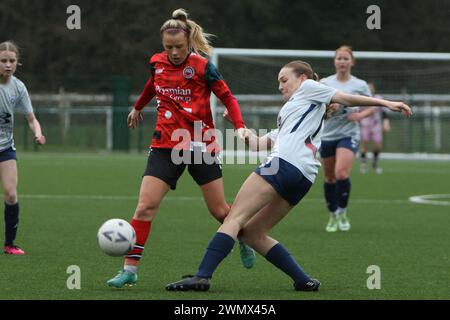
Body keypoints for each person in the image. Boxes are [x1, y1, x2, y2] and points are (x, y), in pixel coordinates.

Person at [165, 60, 412, 292]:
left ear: (302, 78)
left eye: (284, 80)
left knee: (234, 218)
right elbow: (258, 144)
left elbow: (345, 97)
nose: (280, 86)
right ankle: (302, 281)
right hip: (303, 176)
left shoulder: (308, 88)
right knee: (253, 233)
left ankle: (203, 276)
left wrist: (385, 103)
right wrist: (238, 127)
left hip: (282, 165)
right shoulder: (294, 112)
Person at [106, 9, 255, 288]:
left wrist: (240, 126)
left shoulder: (203, 66)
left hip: (200, 143)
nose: (174, 52)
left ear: (188, 42)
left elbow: (228, 98)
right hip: (164, 144)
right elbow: (154, 84)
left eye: (179, 47)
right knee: (144, 207)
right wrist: (137, 107)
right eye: (168, 47)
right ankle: (129, 269)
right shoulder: (156, 62)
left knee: (220, 211)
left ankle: (242, 237)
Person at [319, 45, 374, 233]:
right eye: (339, 58)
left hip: (348, 133)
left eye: (345, 58)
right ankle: (332, 214)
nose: (342, 61)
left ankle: (342, 212)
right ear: (334, 61)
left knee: (341, 173)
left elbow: (372, 106)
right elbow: (317, 108)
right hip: (327, 135)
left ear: (352, 62)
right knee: (329, 177)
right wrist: (329, 108)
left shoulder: (360, 85)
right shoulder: (325, 83)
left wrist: (359, 116)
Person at [0, 41, 46, 255]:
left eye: (12, 61)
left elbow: (31, 118)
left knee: (10, 194)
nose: (8, 65)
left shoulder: (18, 87)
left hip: (5, 148)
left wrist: (37, 133)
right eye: (3, 61)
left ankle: (10, 244)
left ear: (17, 62)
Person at [359, 82, 391, 174]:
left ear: (374, 89)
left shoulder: (379, 99)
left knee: (377, 146)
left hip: (376, 125)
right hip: (365, 125)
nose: (369, 90)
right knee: (364, 145)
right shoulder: (362, 99)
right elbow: (358, 112)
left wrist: (386, 123)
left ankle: (374, 164)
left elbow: (384, 112)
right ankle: (363, 164)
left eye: (371, 88)